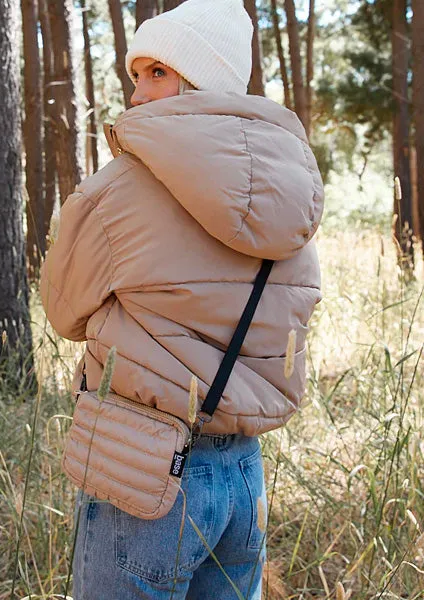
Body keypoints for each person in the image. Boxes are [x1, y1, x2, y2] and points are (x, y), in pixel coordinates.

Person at [40, 0, 324, 598]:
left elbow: (63, 310)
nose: (138, 94)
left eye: (159, 73)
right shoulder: (292, 193)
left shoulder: (118, 188)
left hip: (144, 469)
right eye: (137, 74)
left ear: (200, 81)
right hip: (245, 475)